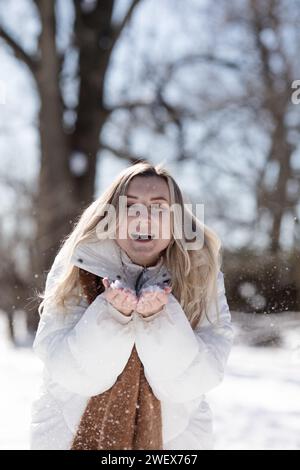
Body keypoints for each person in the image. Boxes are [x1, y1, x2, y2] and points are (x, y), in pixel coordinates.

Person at [30, 161, 234, 450]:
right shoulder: (78, 265)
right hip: (66, 436)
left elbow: (201, 376)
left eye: (159, 207)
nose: (144, 216)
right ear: (112, 215)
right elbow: (68, 371)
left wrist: (159, 321)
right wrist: (112, 317)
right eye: (131, 205)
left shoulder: (201, 273)